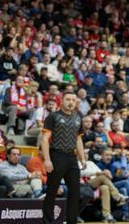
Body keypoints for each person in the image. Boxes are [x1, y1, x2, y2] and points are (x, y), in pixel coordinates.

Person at [41, 91, 86, 224]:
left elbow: (78, 140)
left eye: (73, 100)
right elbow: (44, 139)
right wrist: (47, 159)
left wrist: (82, 158)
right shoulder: (53, 117)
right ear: (62, 100)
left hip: (72, 158)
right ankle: (47, 222)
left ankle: (71, 221)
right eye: (68, 99)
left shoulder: (78, 117)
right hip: (56, 155)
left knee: (75, 192)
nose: (71, 102)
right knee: (52, 191)